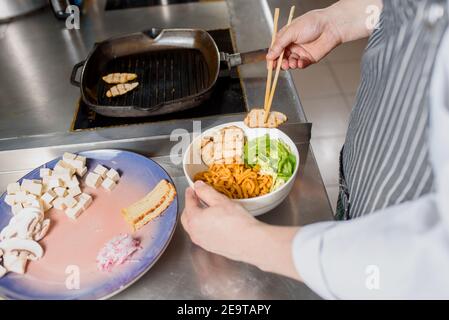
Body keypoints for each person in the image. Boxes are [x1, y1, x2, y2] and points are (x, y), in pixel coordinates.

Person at [181, 0, 449, 299]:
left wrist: (252, 243)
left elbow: (430, 266)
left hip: (395, 243)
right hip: (364, 174)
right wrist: (338, 20)